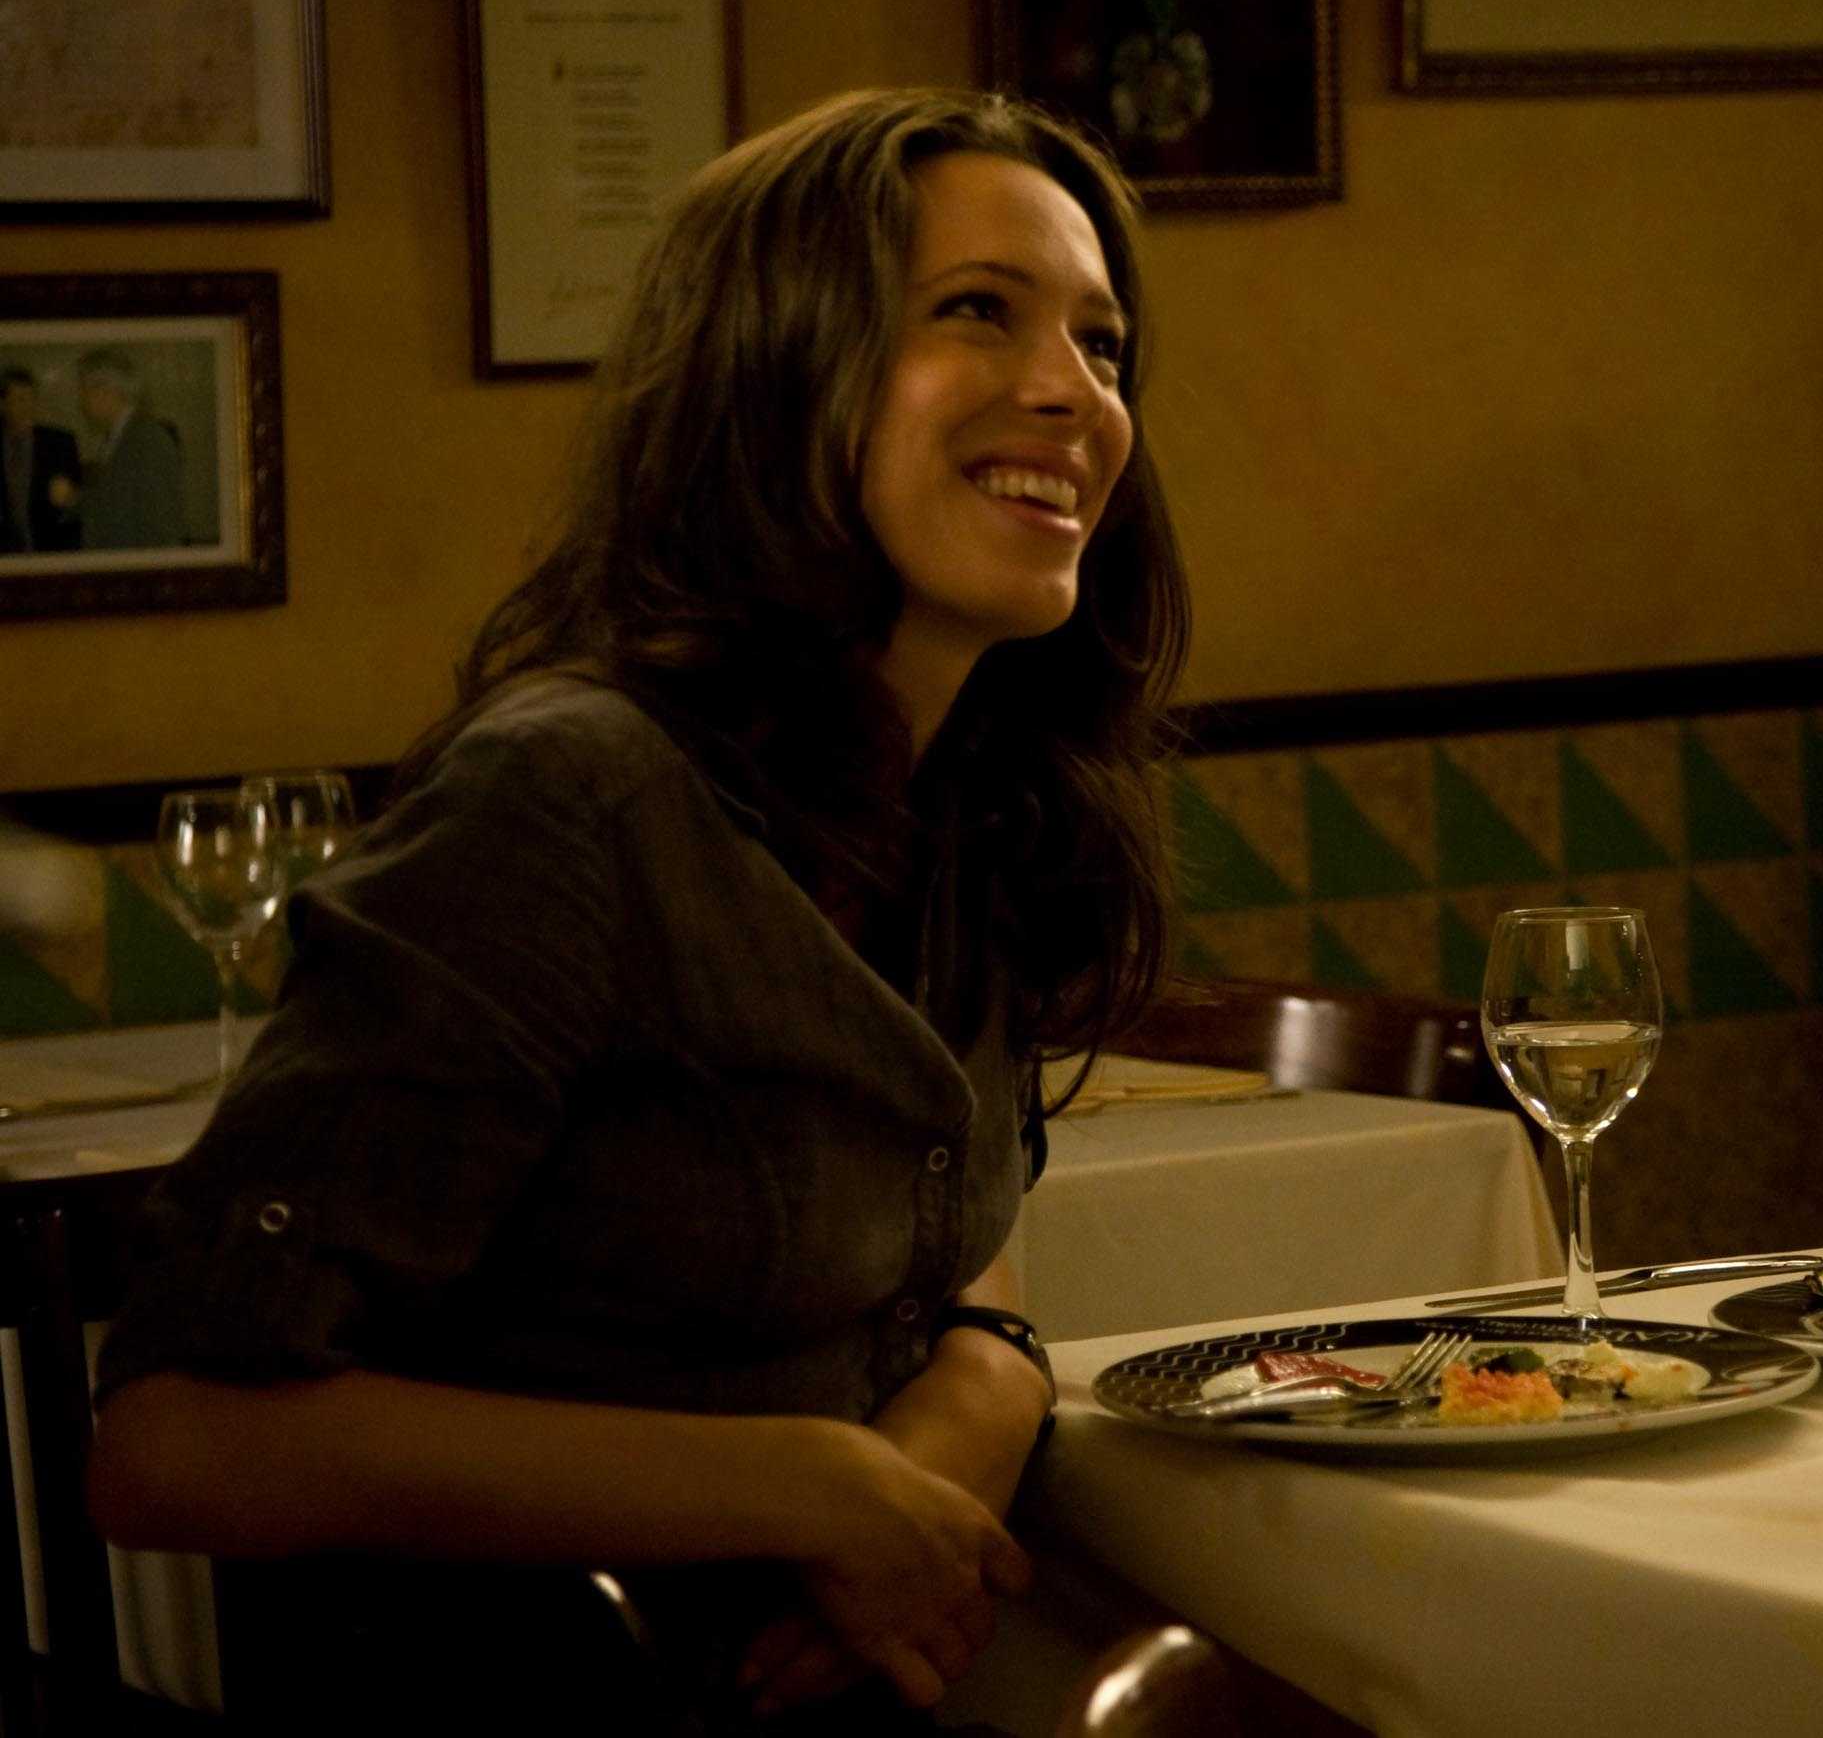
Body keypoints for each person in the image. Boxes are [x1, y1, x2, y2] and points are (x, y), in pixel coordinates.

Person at [87, 87, 1189, 1731]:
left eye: (1104, 346)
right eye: (979, 311)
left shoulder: (968, 802)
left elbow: (949, 1241)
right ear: (775, 370)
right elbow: (172, 1435)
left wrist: (983, 1383)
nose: (1072, 393)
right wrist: (799, 1488)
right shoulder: (571, 797)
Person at [73, 346, 190, 550]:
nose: (81, 402)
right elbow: (112, 504)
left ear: (106, 391)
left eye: (84, 391)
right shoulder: (114, 439)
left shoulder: (148, 439)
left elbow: (160, 526)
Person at [1, 363, 84, 552]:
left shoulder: (59, 443)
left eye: (31, 399)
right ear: (3, 404)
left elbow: (76, 501)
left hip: (51, 549)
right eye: (20, 400)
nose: (27, 407)